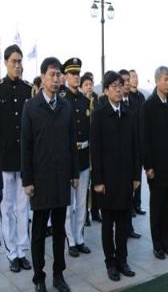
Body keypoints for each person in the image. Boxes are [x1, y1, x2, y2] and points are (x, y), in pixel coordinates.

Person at [21, 57, 79, 292]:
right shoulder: (31, 107)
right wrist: (28, 180)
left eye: (59, 75)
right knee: (38, 233)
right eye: (52, 75)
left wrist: (74, 173)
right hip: (40, 180)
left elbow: (71, 142)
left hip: (61, 178)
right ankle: (39, 277)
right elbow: (26, 146)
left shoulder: (66, 107)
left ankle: (58, 274)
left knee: (58, 230)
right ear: (43, 77)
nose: (56, 79)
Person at [90, 71, 140, 282]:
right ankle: (110, 262)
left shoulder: (129, 113)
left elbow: (136, 147)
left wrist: (136, 176)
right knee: (108, 223)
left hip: (126, 178)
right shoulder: (100, 115)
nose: (119, 89)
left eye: (121, 85)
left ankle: (122, 260)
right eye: (114, 86)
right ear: (106, 90)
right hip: (107, 181)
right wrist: (98, 181)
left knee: (123, 222)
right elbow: (96, 150)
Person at [141, 66, 168, 260]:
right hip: (155, 168)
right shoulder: (149, 106)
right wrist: (147, 166)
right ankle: (157, 245)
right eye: (165, 79)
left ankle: (166, 244)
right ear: (157, 81)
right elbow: (144, 138)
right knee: (157, 207)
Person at [0, 44, 33, 273]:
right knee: (7, 208)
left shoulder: (28, 90)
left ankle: (22, 251)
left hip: (23, 161)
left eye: (20, 61)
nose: (18, 65)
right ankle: (11, 252)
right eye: (14, 61)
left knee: (23, 208)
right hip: (3, 160)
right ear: (5, 63)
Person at [62, 58, 92, 258]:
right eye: (72, 74)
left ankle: (79, 238)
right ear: (65, 76)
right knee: (68, 204)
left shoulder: (84, 100)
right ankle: (70, 240)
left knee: (81, 202)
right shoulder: (61, 99)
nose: (76, 77)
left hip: (83, 156)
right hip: (67, 157)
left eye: (77, 73)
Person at [119, 69, 142, 239]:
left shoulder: (135, 102)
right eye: (124, 81)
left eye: (129, 80)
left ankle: (129, 227)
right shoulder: (114, 103)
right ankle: (121, 228)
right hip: (118, 157)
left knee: (130, 193)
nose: (127, 83)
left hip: (133, 154)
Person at [80, 73, 102, 224]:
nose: (89, 87)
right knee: (85, 184)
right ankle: (85, 214)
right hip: (84, 147)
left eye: (90, 84)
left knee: (95, 180)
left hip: (95, 145)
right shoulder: (80, 102)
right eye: (86, 84)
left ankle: (95, 211)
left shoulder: (96, 100)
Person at [128, 69, 146, 216]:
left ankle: (137, 204)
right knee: (130, 175)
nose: (135, 79)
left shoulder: (141, 97)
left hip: (140, 141)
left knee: (138, 176)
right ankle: (130, 205)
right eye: (132, 77)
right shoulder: (128, 98)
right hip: (130, 140)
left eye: (136, 76)